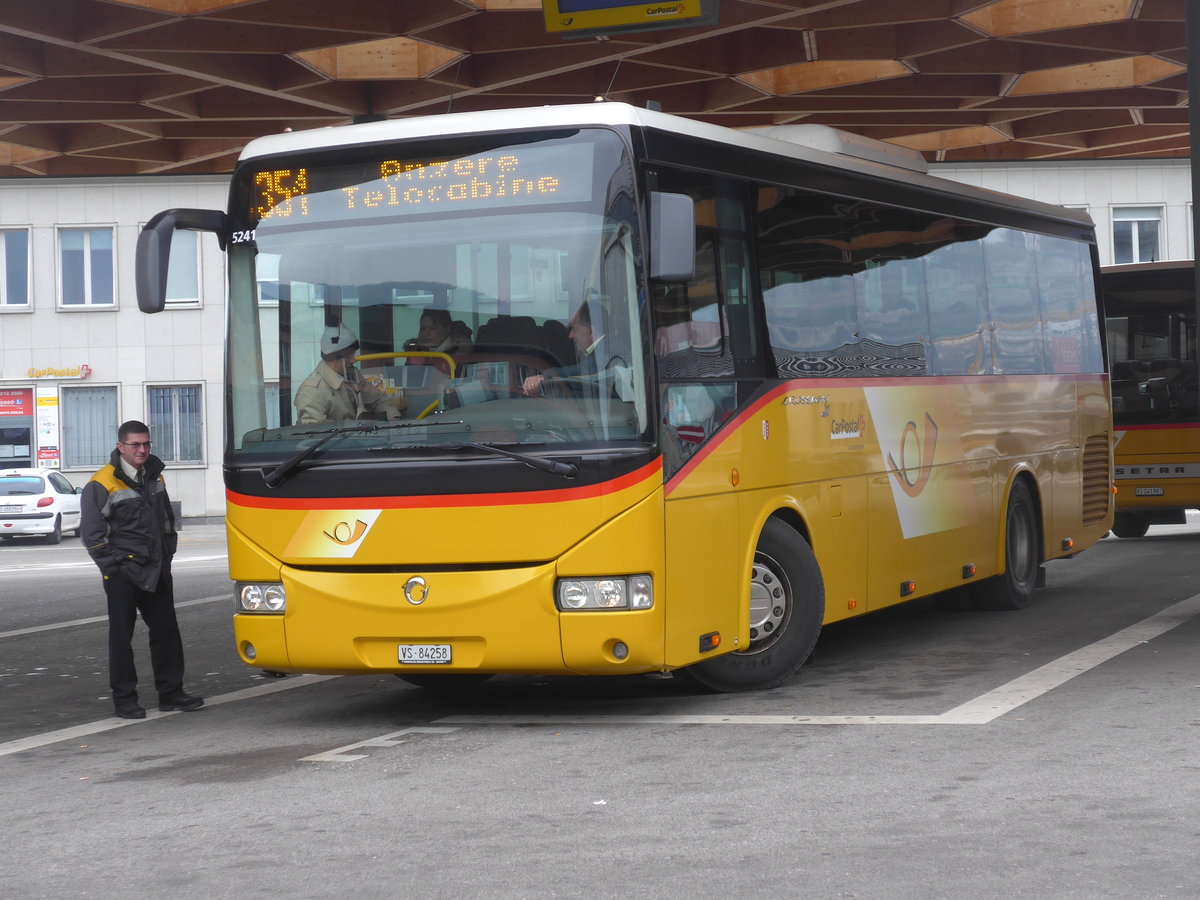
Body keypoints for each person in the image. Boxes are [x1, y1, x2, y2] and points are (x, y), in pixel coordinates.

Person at [81, 420, 203, 720]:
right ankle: (124, 700)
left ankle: (171, 694)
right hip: (123, 572)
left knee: (167, 633)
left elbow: (165, 522)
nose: (142, 449)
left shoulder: (154, 475)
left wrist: (167, 555)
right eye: (135, 444)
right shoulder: (101, 483)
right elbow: (93, 535)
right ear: (120, 446)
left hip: (156, 568)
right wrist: (113, 569)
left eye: (146, 444)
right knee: (121, 638)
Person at [294, 324, 401, 424]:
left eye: (353, 354)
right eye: (348, 356)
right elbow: (316, 436)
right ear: (332, 357)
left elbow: (377, 399)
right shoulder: (311, 391)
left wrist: (393, 418)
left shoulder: (351, 374)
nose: (353, 360)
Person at [522, 301, 617, 398]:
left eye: (574, 329)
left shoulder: (608, 351)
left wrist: (544, 377)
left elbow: (588, 369)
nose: (570, 335)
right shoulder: (608, 345)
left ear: (591, 331)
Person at [406, 309, 471, 377]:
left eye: (432, 328)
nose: (427, 333)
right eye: (423, 328)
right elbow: (408, 379)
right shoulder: (416, 353)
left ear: (447, 329)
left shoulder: (458, 354)